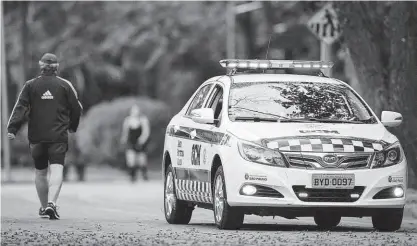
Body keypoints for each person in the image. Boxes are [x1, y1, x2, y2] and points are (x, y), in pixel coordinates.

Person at [7, 53, 82, 220]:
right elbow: (77, 108)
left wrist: (13, 128)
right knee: (57, 169)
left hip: (37, 136)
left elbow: (20, 107)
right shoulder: (65, 85)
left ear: (41, 66)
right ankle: (52, 204)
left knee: (40, 172)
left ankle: (43, 207)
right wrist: (72, 126)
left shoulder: (30, 85)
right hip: (58, 136)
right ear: (57, 67)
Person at [120, 105, 151, 182]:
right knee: (131, 159)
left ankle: (144, 175)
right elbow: (125, 132)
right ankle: (132, 176)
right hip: (131, 141)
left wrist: (142, 140)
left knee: (142, 160)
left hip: (140, 142)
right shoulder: (127, 120)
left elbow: (146, 131)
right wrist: (123, 139)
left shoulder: (143, 120)